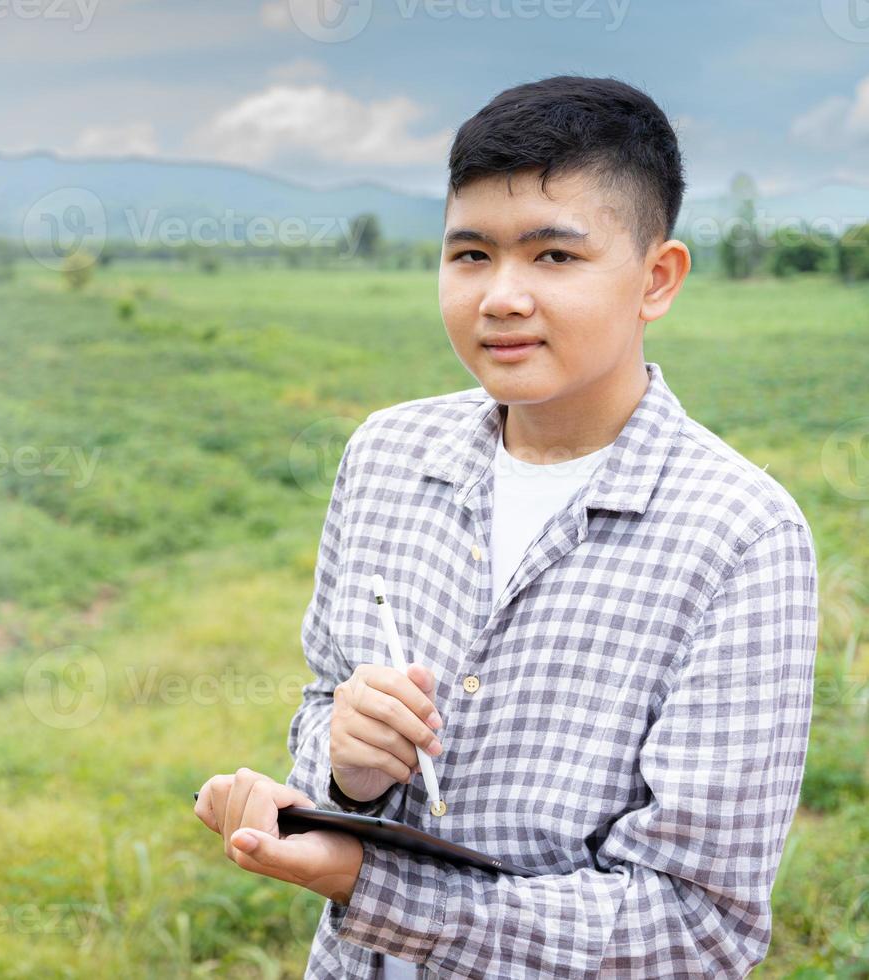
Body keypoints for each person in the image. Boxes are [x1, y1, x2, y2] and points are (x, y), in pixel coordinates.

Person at [193, 75, 819, 979]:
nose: (501, 296)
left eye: (554, 257)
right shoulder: (386, 455)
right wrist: (343, 767)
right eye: (471, 254)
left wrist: (375, 885)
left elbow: (697, 926)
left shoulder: (738, 535)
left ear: (657, 279)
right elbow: (323, 702)